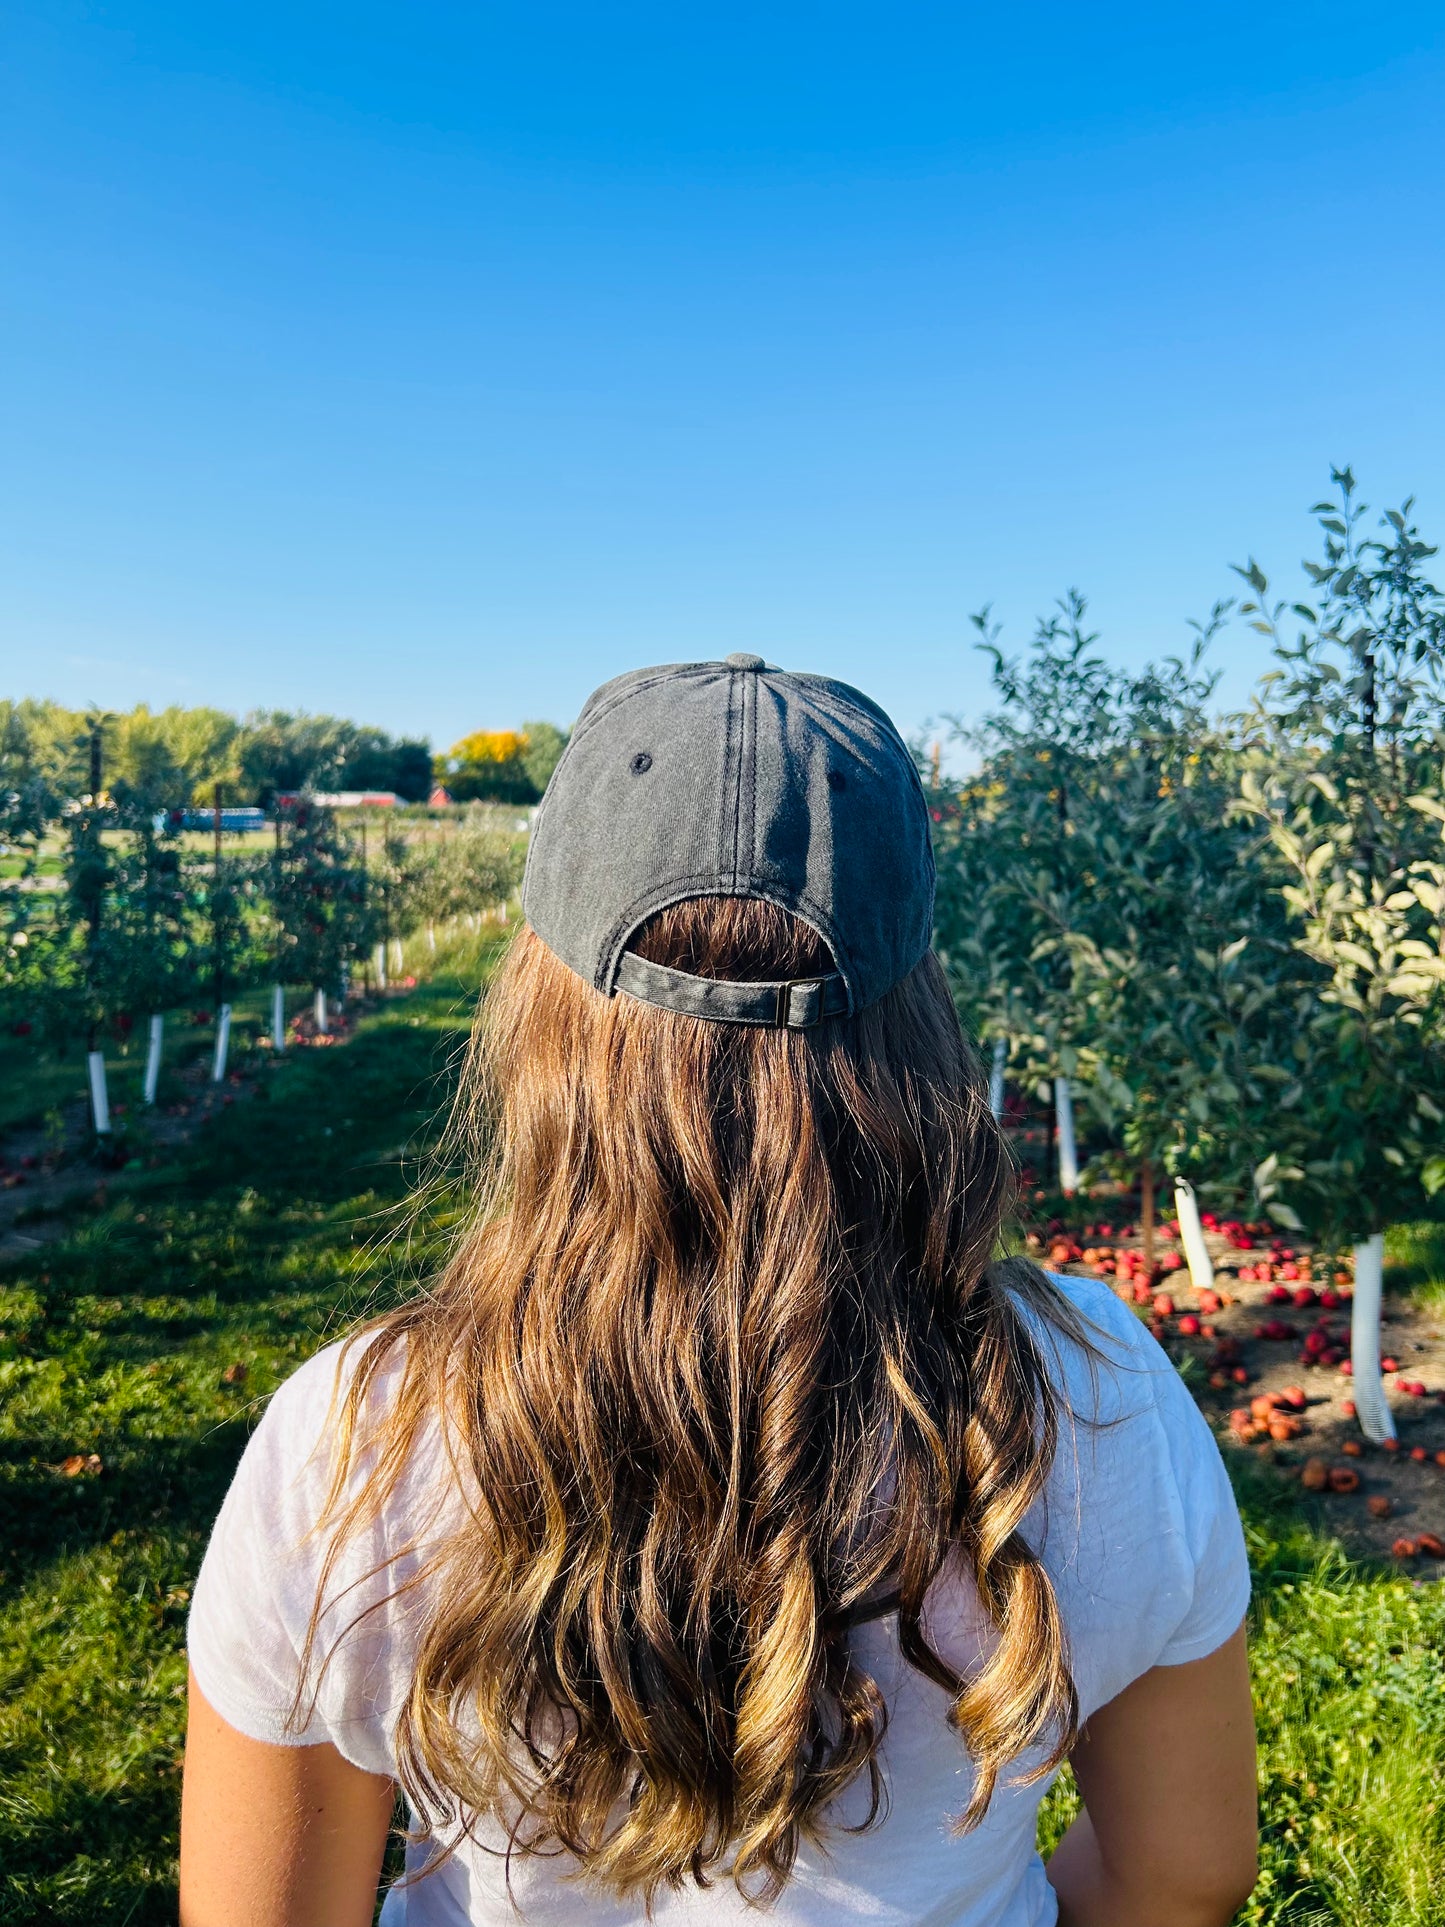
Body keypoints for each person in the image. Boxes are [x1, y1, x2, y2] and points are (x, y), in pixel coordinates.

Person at [181, 656, 1257, 1927]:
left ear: (538, 999)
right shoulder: (1094, 1395)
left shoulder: (355, 1442)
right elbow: (1180, 1871)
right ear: (920, 1004)